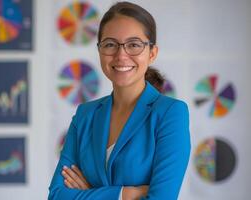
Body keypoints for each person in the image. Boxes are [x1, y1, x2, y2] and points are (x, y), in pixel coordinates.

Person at [48, 2, 190, 200]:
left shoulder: (171, 113)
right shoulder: (85, 115)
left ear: (152, 53)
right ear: (99, 51)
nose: (121, 55)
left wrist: (89, 193)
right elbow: (57, 195)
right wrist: (125, 194)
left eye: (133, 45)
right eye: (110, 44)